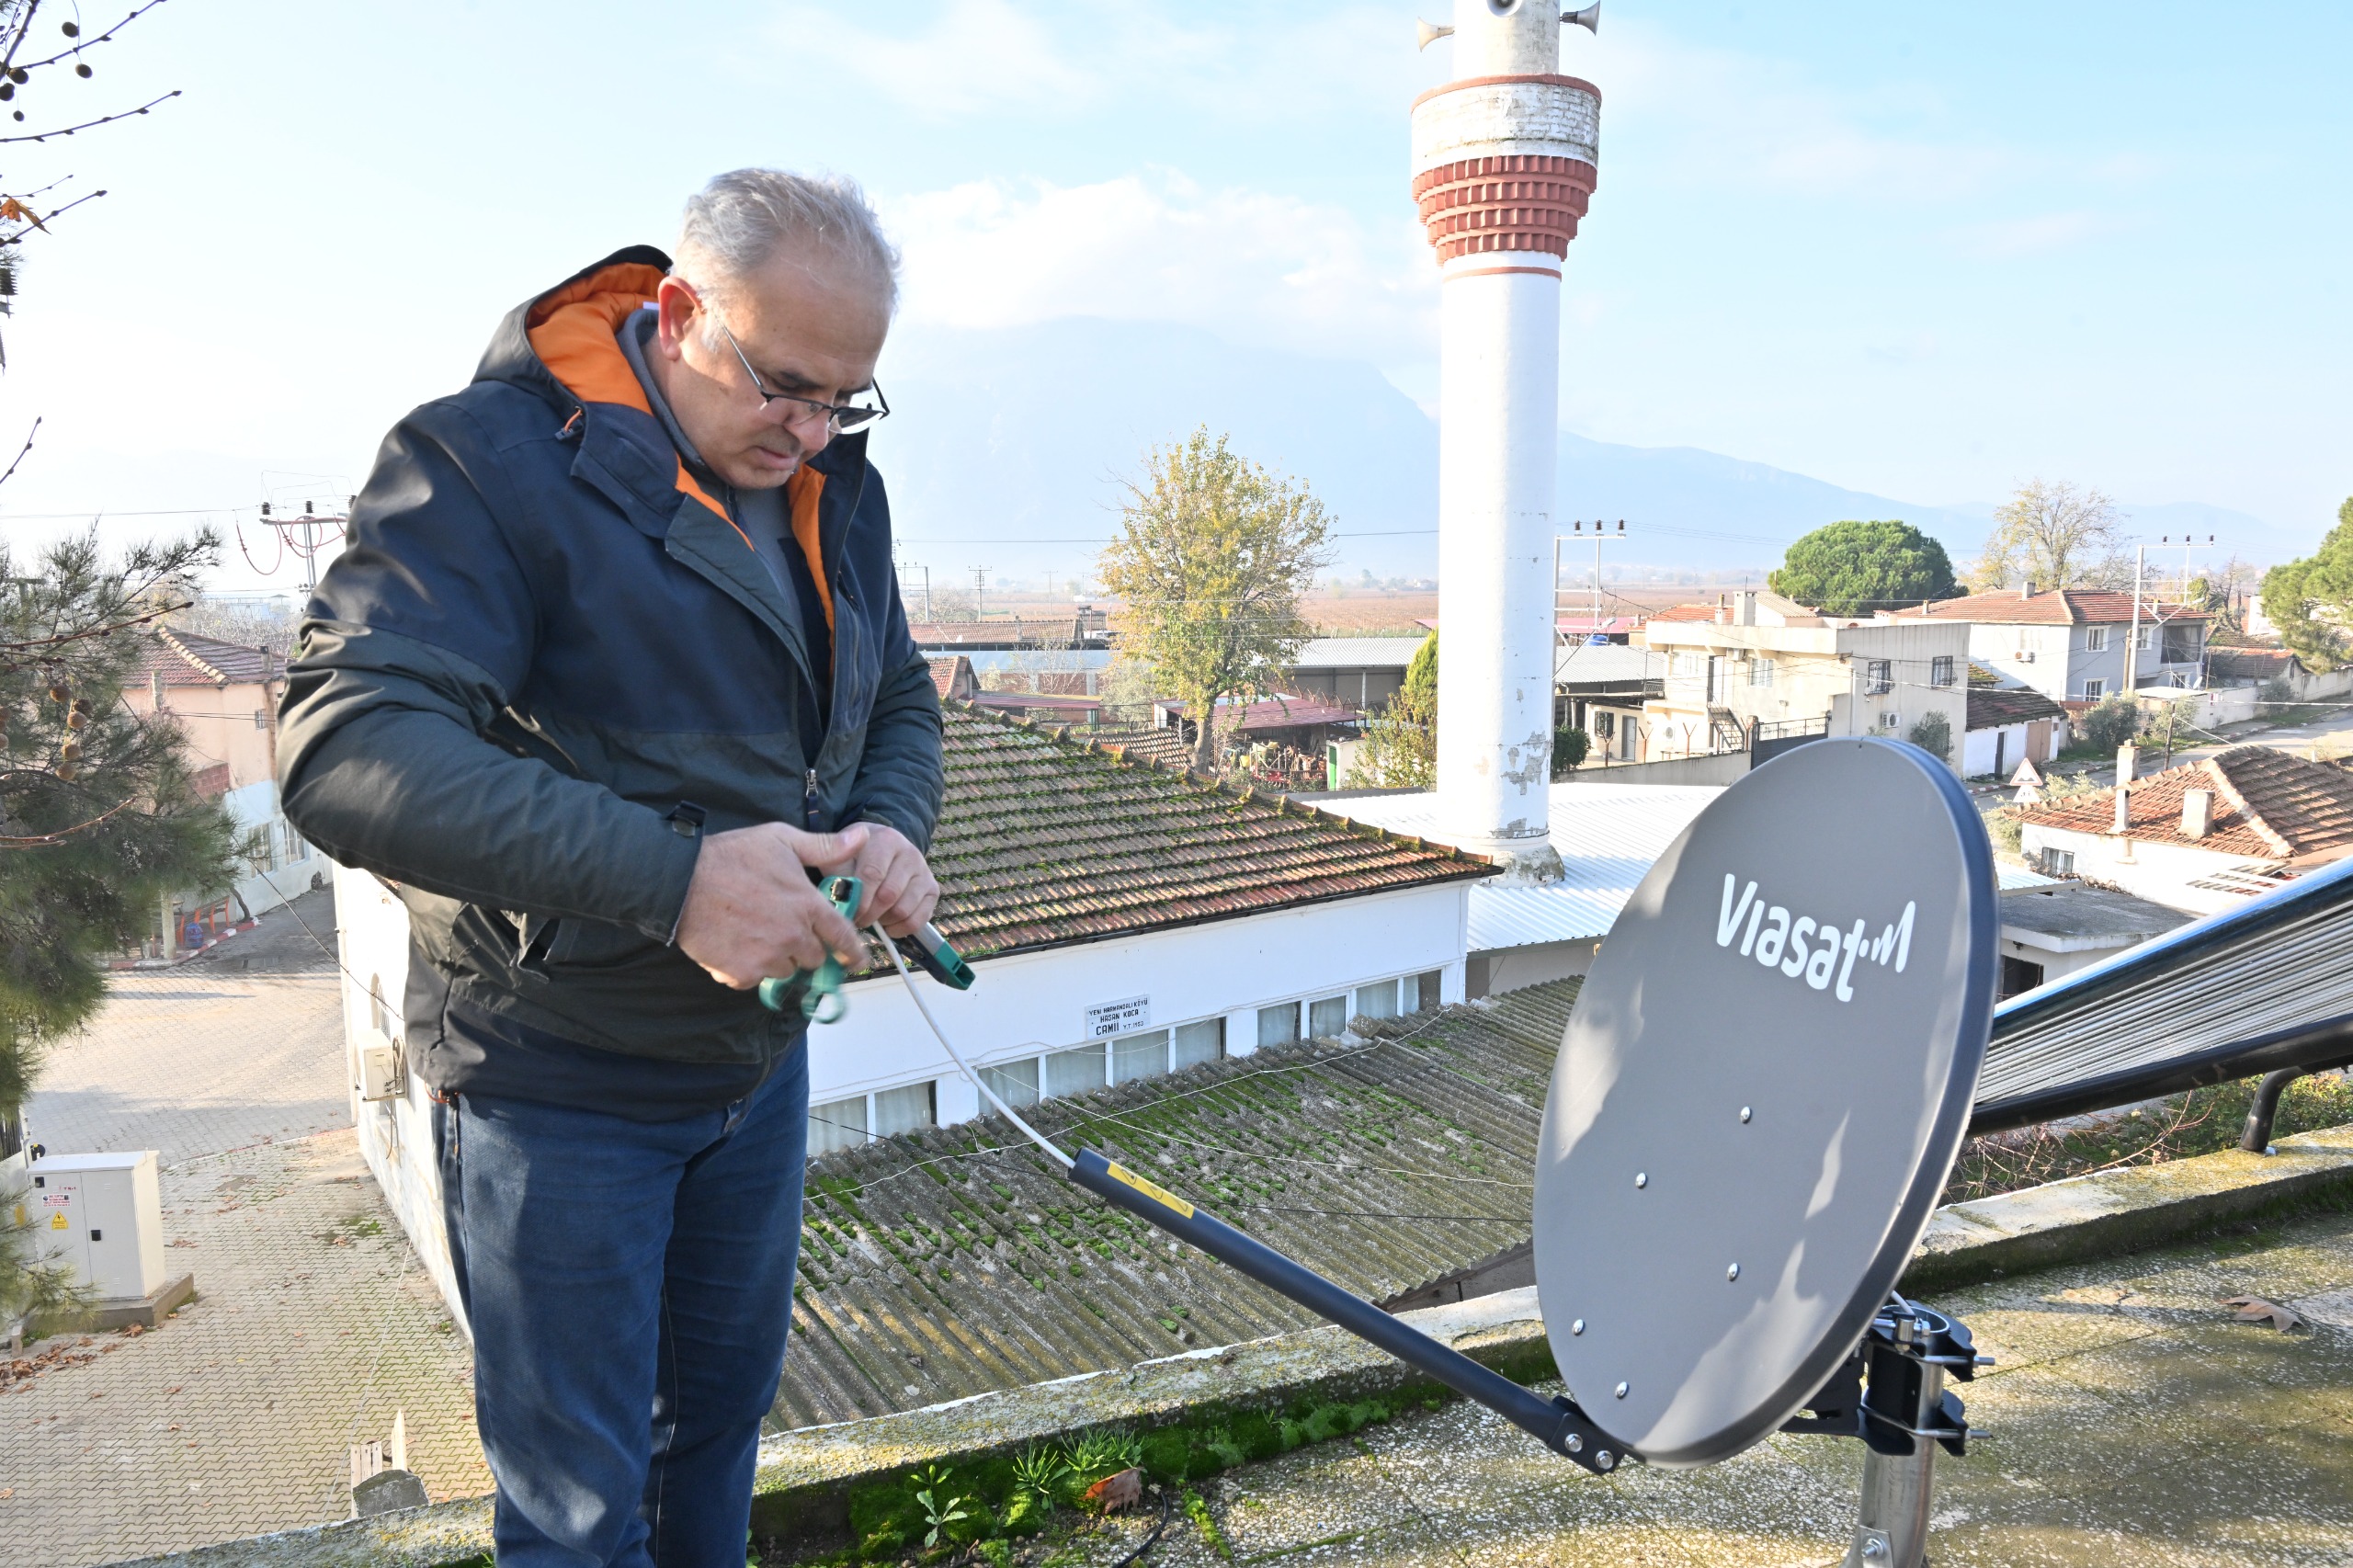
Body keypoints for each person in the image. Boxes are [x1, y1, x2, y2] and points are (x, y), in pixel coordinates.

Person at [277, 170, 944, 1564]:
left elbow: (896, 698)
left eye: (847, 399)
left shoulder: (835, 484)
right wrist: (677, 880)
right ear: (682, 312)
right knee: (579, 1510)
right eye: (784, 386)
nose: (811, 431)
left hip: (753, 1074)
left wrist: (891, 825)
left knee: (716, 1438)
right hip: (555, 1085)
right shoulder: (483, 467)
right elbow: (345, 743)